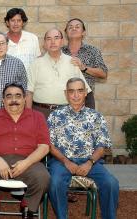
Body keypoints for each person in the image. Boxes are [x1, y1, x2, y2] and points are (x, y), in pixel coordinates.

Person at [47, 77, 119, 219]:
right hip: (61, 161)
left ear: (85, 92)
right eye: (71, 91)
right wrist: (66, 162)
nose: (75, 95)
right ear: (66, 94)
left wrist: (89, 162)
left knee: (111, 183)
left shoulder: (96, 116)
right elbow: (49, 145)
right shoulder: (55, 116)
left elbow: (102, 145)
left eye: (80, 91)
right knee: (54, 183)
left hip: (90, 161)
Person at [0, 82, 50, 219]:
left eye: (18, 96)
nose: (14, 100)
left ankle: (27, 205)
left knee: (43, 177)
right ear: (3, 100)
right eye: (9, 96)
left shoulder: (38, 117)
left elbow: (44, 147)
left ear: (25, 99)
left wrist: (27, 162)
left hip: (29, 160)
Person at [25, 28, 91, 118]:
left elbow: (84, 90)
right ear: (44, 43)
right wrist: (28, 116)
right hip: (41, 112)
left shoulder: (72, 62)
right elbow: (29, 92)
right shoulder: (35, 64)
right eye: (49, 39)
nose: (53, 42)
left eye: (56, 38)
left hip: (67, 112)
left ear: (62, 41)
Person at [62, 18, 108, 109]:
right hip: (62, 99)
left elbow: (103, 73)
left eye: (77, 27)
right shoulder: (60, 51)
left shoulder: (92, 51)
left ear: (83, 32)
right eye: (70, 27)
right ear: (66, 32)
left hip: (86, 98)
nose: (74, 29)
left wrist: (84, 68)